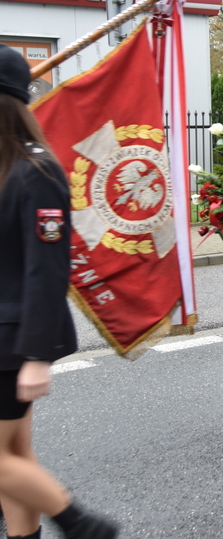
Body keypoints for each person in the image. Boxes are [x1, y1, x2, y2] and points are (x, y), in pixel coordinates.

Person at [0, 44, 119, 538]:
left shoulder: (36, 172)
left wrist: (34, 356)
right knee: (13, 457)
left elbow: (46, 271)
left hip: (11, 340)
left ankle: (78, 522)